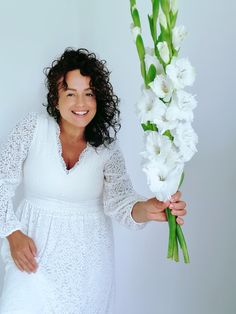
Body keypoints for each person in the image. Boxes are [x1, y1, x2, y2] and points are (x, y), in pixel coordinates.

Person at [0, 47, 187, 313]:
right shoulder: (33, 128)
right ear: (56, 99)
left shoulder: (106, 148)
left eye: (89, 94)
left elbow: (120, 202)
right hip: (31, 255)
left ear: (98, 99)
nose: (81, 103)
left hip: (88, 267)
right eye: (71, 94)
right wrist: (12, 233)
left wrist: (151, 208)